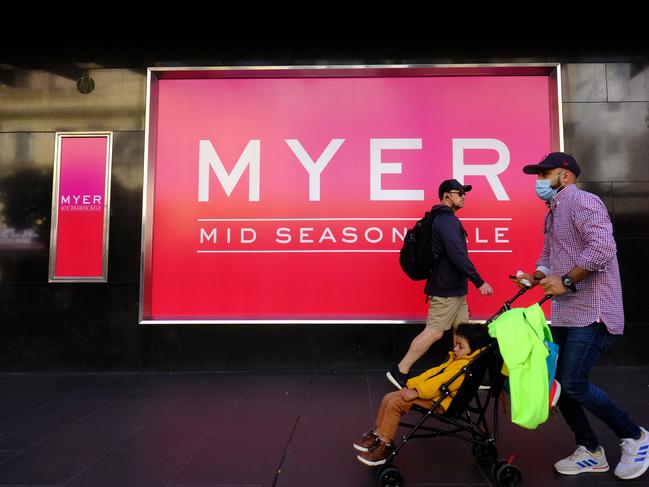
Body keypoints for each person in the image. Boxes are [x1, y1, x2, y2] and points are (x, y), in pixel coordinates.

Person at [513, 152, 648, 480]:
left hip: (594, 310)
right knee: (558, 383)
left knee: (573, 381)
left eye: (546, 174)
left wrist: (568, 280)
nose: (539, 180)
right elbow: (548, 254)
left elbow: (602, 248)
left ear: (566, 176)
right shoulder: (553, 212)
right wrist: (537, 275)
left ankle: (634, 437)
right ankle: (589, 449)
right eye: (538, 174)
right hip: (566, 312)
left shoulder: (582, 202)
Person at [387, 179, 493, 389]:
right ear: (447, 195)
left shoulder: (444, 219)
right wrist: (479, 281)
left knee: (462, 332)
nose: (464, 196)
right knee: (434, 331)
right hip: (445, 290)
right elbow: (458, 254)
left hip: (454, 288)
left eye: (464, 193)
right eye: (460, 193)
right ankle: (400, 370)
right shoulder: (446, 221)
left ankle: (462, 375)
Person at [355, 323, 492, 466]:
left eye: (460, 346)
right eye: (456, 344)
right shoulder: (456, 361)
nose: (455, 348)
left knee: (395, 403)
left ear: (473, 351)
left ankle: (384, 445)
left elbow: (440, 383)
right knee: (388, 397)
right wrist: (410, 384)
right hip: (432, 395)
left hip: (440, 402)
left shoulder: (463, 369)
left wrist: (416, 392)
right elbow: (431, 374)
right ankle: (377, 434)